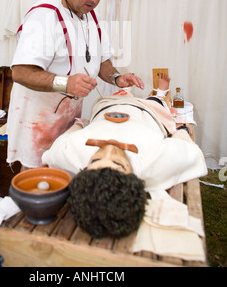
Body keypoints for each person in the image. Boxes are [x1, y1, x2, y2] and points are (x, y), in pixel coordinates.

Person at [6, 0, 144, 169]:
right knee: (37, 181)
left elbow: (102, 60)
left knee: (63, 171)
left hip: (68, 119)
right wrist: (66, 83)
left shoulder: (91, 17)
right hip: (38, 122)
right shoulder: (43, 16)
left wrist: (117, 77)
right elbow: (21, 73)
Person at [42, 74, 207, 238]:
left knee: (116, 97)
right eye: (118, 163)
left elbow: (58, 146)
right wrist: (181, 130)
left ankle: (125, 91)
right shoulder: (153, 163)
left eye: (96, 159)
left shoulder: (70, 156)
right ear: (134, 177)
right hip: (146, 112)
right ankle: (159, 94)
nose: (109, 149)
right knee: (155, 103)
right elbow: (190, 151)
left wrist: (80, 125)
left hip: (108, 106)